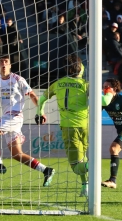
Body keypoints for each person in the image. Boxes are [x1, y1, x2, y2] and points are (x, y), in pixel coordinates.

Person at [0, 56, 55, 187]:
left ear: (10, 66)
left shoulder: (18, 79)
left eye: (6, 62)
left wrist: (41, 111)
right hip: (8, 118)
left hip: (14, 116)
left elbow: (32, 95)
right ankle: (46, 170)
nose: (4, 64)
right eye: (1, 62)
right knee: (17, 154)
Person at [36, 54, 89, 197]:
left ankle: (93, 166)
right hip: (86, 126)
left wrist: (39, 112)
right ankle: (85, 186)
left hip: (69, 127)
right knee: (82, 158)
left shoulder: (58, 83)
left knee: (76, 167)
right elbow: (103, 101)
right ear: (81, 68)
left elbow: (42, 99)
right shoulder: (86, 85)